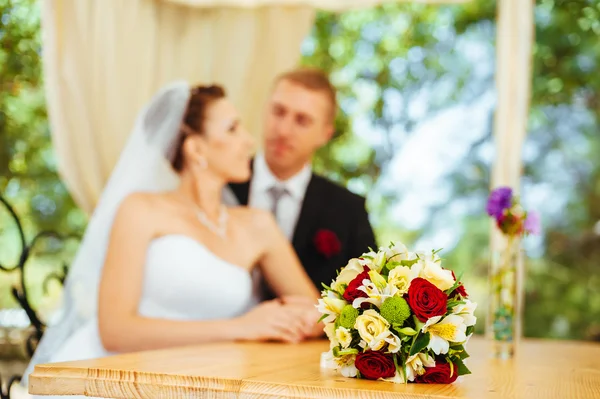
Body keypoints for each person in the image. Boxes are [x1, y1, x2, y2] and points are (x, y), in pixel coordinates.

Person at [22, 82, 322, 397]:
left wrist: (298, 320)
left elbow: (319, 311)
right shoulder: (141, 210)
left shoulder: (258, 225)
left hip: (207, 382)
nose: (249, 141)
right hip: (115, 376)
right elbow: (114, 330)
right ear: (196, 149)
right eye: (233, 129)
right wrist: (242, 328)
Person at [228, 68, 377, 297]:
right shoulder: (223, 181)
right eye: (278, 112)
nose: (283, 130)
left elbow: (368, 298)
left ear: (324, 134)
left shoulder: (348, 210)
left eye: (302, 120)